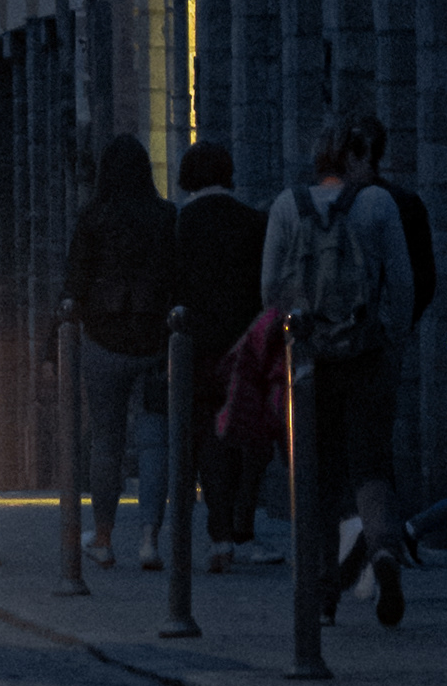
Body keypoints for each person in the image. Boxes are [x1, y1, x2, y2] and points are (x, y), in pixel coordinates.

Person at [263, 120, 415, 628]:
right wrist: (390, 336)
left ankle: (323, 589)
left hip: (310, 359)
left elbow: (269, 288)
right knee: (371, 463)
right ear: (352, 158)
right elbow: (404, 284)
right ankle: (385, 551)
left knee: (319, 475)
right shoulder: (378, 205)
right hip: (367, 353)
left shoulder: (287, 206)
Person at [61, 134, 182, 562]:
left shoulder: (93, 217)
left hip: (104, 337)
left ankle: (105, 537)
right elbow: (176, 276)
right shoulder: (166, 216)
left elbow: (74, 280)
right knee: (155, 442)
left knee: (106, 442)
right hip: (154, 339)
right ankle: (150, 538)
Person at [338, 110, 442, 547]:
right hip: (379, 339)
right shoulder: (403, 202)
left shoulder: (320, 203)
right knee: (373, 442)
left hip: (331, 341)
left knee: (341, 443)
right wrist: (395, 331)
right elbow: (420, 280)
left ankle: (357, 541)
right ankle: (381, 540)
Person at [171, 141, 270, 557]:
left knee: (208, 436)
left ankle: (220, 531)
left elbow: (173, 285)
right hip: (244, 344)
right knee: (249, 434)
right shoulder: (253, 222)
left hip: (198, 344)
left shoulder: (182, 223)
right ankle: (243, 520)